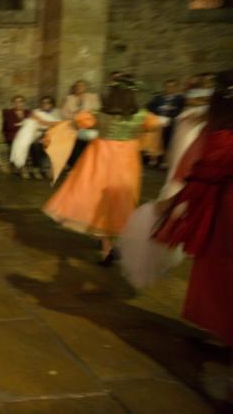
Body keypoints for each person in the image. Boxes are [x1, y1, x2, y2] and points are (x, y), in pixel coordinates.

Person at [152, 69, 233, 366]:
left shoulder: (222, 135)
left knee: (223, 270)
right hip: (222, 203)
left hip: (226, 211)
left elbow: (204, 172)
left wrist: (174, 201)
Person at [43, 75, 160, 265]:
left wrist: (54, 134)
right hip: (126, 162)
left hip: (99, 160)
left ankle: (105, 246)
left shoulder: (99, 114)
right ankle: (110, 244)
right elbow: (154, 126)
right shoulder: (142, 115)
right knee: (120, 200)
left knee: (96, 199)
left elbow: (76, 122)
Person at [61, 80, 101, 169]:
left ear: (86, 87)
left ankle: (87, 165)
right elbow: (64, 114)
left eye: (82, 86)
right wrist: (75, 117)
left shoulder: (93, 97)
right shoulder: (69, 98)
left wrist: (84, 115)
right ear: (74, 88)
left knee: (89, 139)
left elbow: (97, 111)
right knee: (71, 139)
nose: (79, 87)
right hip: (73, 125)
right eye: (77, 86)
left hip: (88, 125)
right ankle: (74, 165)